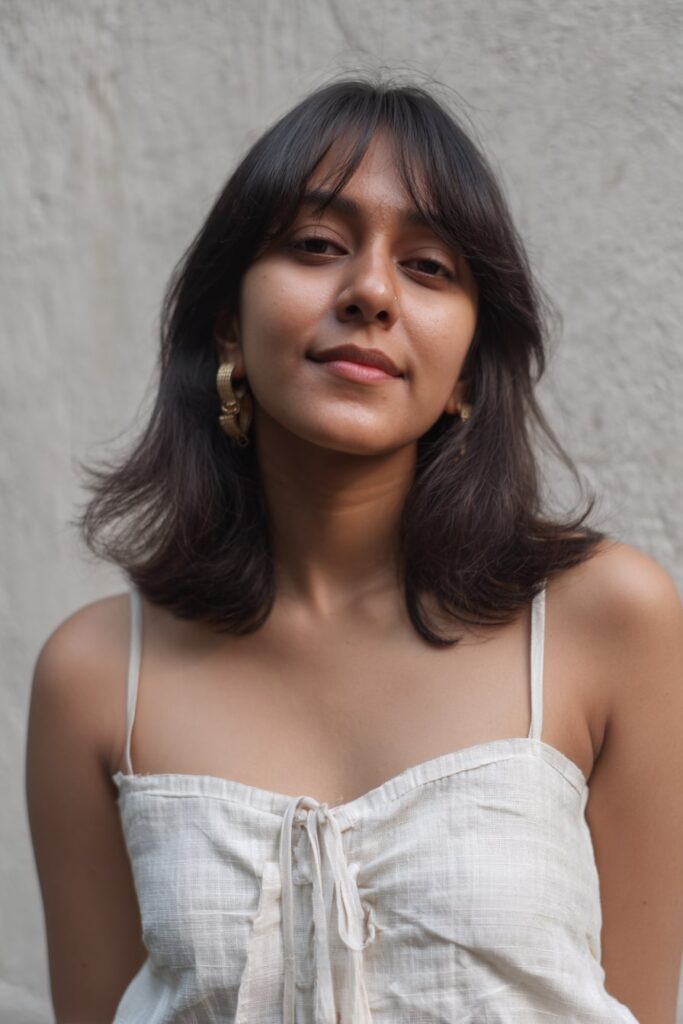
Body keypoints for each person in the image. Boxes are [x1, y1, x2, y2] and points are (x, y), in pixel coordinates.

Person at [25, 76, 682, 1024]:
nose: (370, 291)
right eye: (317, 246)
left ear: (466, 371)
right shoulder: (97, 677)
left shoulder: (607, 621)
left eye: (428, 267)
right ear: (226, 328)